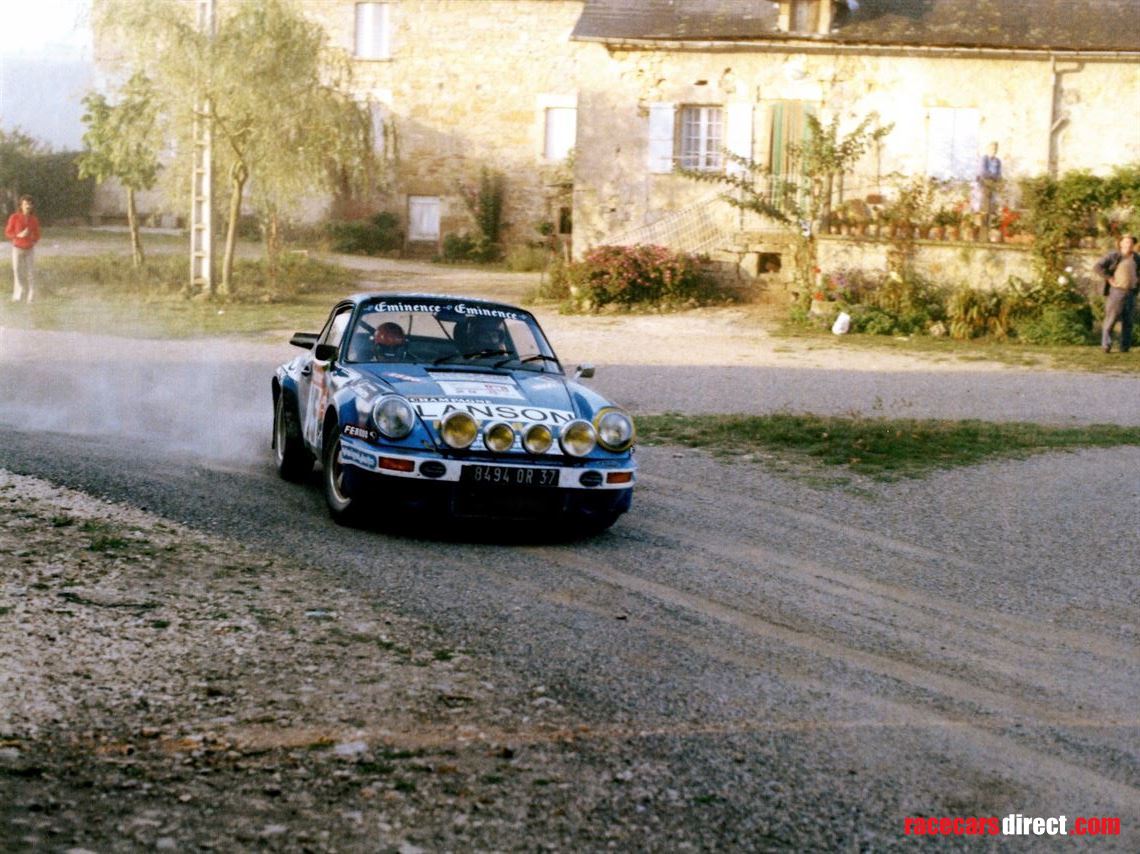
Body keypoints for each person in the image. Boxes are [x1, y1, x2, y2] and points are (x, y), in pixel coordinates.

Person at [1093, 233, 1139, 353]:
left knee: (1128, 322)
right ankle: (1106, 345)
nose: (1129, 244)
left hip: (1131, 292)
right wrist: (1109, 278)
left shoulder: (1136, 258)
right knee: (1111, 320)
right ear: (1121, 243)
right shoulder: (1114, 256)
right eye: (1127, 242)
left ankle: (1125, 347)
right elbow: (1098, 267)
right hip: (1117, 292)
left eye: (1131, 242)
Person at [5, 195, 41, 303]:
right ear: (21, 206)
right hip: (17, 248)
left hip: (29, 249)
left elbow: (37, 234)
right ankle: (18, 294)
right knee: (17, 271)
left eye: (30, 204)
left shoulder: (33, 219)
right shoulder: (14, 217)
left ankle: (31, 294)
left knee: (30, 272)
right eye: (25, 204)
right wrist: (18, 235)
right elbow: (8, 232)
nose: (28, 206)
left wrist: (33, 239)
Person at [973, 142, 1002, 228]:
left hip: (992, 185)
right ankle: (981, 223)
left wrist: (994, 178)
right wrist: (993, 176)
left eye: (995, 149)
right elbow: (983, 172)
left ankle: (989, 224)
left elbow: (999, 175)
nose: (994, 151)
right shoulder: (984, 159)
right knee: (982, 204)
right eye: (992, 149)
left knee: (992, 204)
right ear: (988, 149)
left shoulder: (998, 161)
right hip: (983, 184)